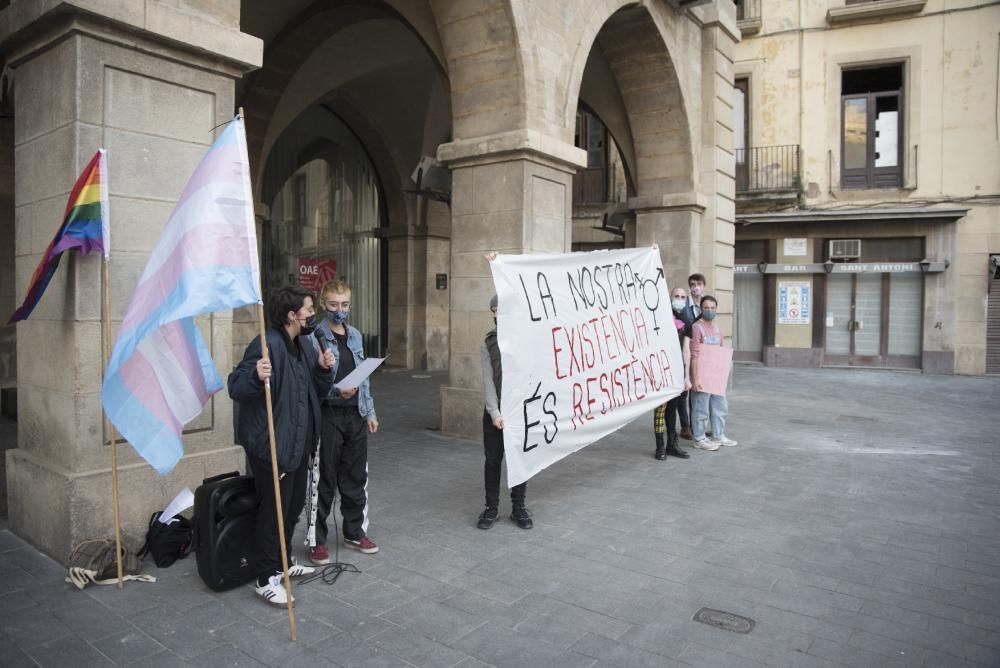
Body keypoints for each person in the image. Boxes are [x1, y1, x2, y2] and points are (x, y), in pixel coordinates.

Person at [228, 286, 333, 607]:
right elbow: (235, 386)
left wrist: (323, 370)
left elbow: (312, 390)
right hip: (273, 446)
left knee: (291, 509)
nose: (313, 313)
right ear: (292, 315)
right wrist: (254, 377)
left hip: (298, 444)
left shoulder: (302, 343)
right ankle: (265, 576)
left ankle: (283, 562)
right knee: (273, 511)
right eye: (309, 308)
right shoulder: (265, 343)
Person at [310, 279, 380, 563]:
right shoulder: (315, 336)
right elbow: (312, 382)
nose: (340, 310)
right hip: (330, 413)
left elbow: (363, 377)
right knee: (324, 478)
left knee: (355, 476)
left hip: (356, 414)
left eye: (345, 305)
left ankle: (354, 531)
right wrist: (335, 389)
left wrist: (371, 411)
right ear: (323, 304)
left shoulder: (355, 335)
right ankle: (317, 540)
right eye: (334, 305)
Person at [478, 293, 533, 530]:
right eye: (495, 310)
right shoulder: (488, 342)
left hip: (519, 411)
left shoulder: (524, 339)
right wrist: (494, 413)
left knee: (519, 460)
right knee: (493, 460)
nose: (499, 314)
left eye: (503, 310)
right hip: (497, 413)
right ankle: (491, 508)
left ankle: (518, 508)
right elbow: (488, 380)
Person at [689, 295, 737, 450]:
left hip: (716, 375)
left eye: (712, 308)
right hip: (702, 375)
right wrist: (695, 379)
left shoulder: (717, 328)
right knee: (700, 408)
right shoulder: (697, 328)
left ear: (716, 309)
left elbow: (721, 352)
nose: (709, 310)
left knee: (720, 407)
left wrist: (723, 374)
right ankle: (699, 438)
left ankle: (718, 435)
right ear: (701, 309)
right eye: (706, 308)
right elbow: (694, 354)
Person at [652, 288, 693, 461]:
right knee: (660, 409)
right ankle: (660, 446)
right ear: (670, 298)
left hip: (677, 372)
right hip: (661, 370)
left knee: (672, 409)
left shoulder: (687, 322)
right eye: (677, 296)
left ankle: (672, 444)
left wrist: (687, 376)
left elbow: (687, 350)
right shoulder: (660, 317)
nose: (680, 299)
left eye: (683, 297)